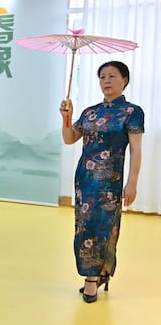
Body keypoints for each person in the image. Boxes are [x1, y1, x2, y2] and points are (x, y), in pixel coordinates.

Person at [60, 60, 143, 303]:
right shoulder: (90, 112)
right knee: (83, 227)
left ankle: (92, 278)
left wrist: (132, 183)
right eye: (102, 77)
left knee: (104, 226)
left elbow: (136, 150)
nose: (106, 81)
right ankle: (96, 273)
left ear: (124, 80)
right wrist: (67, 117)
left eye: (112, 76)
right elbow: (69, 138)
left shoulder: (132, 112)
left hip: (110, 182)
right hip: (85, 180)